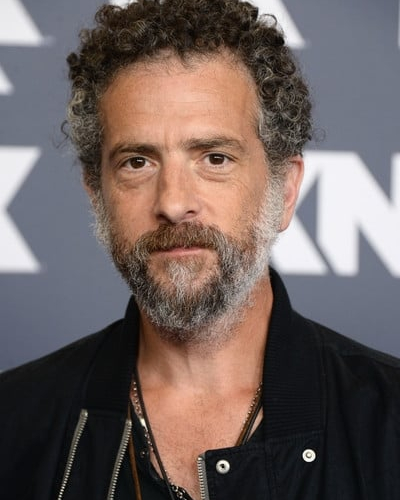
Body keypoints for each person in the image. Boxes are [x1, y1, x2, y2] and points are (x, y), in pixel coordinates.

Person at [1, 0, 400, 499]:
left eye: (214, 158)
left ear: (284, 189)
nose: (173, 203)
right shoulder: (14, 424)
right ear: (95, 193)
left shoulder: (388, 422)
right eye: (137, 162)